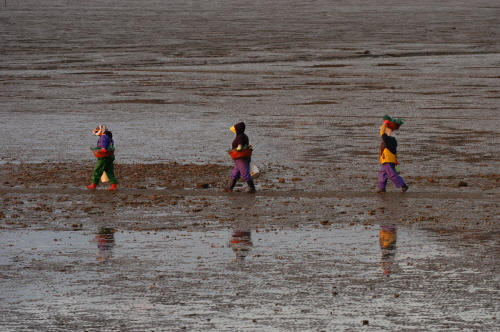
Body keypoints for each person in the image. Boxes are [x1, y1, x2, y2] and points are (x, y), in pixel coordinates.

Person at [376, 117, 409, 193]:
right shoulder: (391, 139)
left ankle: (403, 185)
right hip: (386, 160)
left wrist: (384, 124)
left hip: (388, 160)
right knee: (382, 174)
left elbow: (382, 134)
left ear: (390, 131)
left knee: (392, 175)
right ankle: (382, 188)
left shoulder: (389, 139)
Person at [223, 122, 256, 193]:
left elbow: (240, 144)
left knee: (244, 173)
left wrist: (239, 147)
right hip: (240, 158)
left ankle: (252, 188)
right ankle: (230, 187)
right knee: (235, 173)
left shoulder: (240, 136)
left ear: (238, 129)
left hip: (241, 158)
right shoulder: (243, 135)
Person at [86, 125, 118, 190]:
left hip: (104, 156)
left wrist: (103, 148)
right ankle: (114, 185)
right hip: (110, 156)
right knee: (109, 170)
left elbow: (104, 144)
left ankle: (93, 185)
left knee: (97, 170)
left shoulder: (104, 137)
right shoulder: (109, 137)